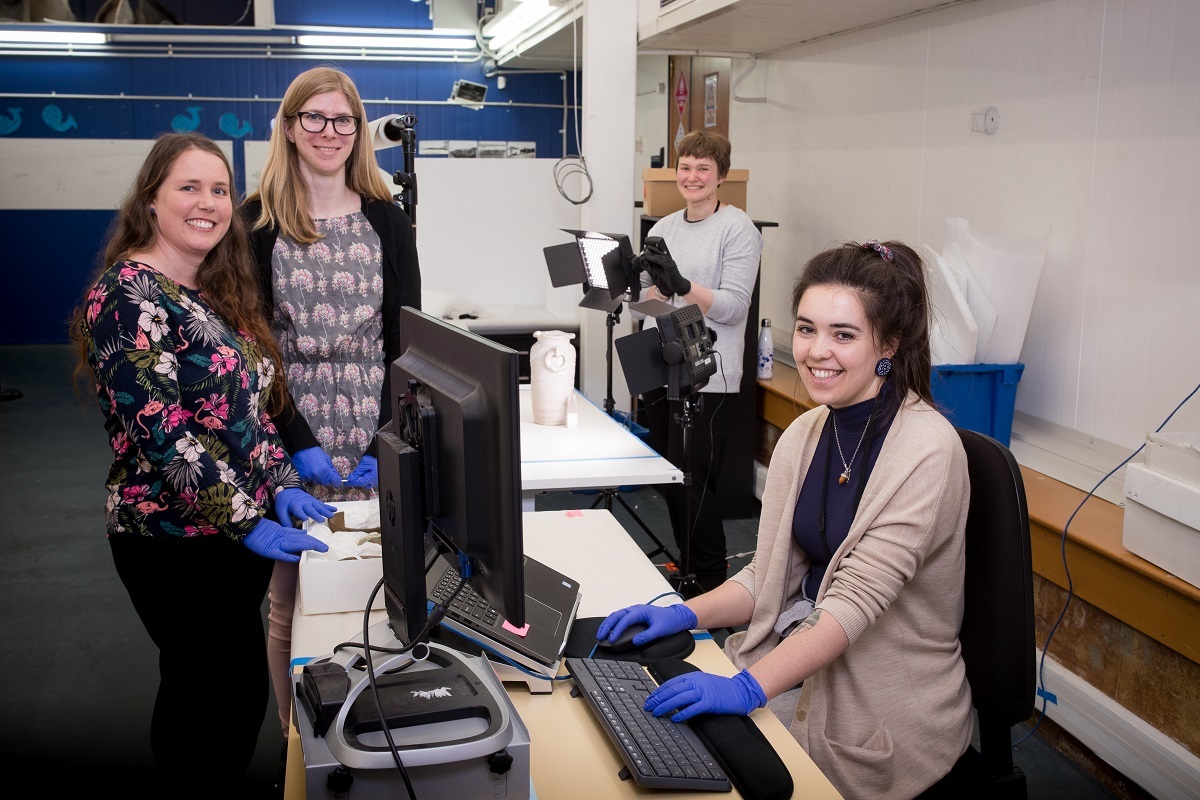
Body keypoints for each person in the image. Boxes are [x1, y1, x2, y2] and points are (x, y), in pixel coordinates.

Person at [600, 240, 973, 800]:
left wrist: (749, 687)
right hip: (798, 662)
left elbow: (851, 606)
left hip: (881, 708)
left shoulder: (927, 451)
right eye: (806, 329)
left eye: (843, 335)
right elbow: (768, 574)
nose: (817, 351)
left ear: (888, 344)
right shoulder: (806, 433)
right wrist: (683, 613)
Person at [70, 132, 336, 794]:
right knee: (211, 701)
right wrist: (249, 521)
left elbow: (248, 407)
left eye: (219, 190)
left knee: (223, 694)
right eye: (189, 187)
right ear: (150, 200)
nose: (209, 203)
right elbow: (165, 433)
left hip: (230, 534)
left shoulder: (214, 288)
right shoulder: (129, 293)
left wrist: (278, 483)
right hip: (171, 540)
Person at [240, 65, 422, 742]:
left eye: (342, 119)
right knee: (292, 596)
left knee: (377, 580)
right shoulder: (256, 221)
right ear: (288, 128)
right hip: (291, 415)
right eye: (312, 117)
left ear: (357, 131)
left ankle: (375, 726)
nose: (328, 131)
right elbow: (254, 343)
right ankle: (300, 741)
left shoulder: (387, 218)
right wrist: (294, 437)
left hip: (374, 415)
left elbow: (407, 335)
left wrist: (387, 436)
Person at [635, 130, 763, 596]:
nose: (692, 176)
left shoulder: (738, 229)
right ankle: (689, 562)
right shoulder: (664, 227)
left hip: (708, 372)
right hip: (660, 363)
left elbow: (732, 308)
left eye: (703, 169)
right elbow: (647, 300)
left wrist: (683, 286)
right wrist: (639, 288)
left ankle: (710, 576)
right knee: (669, 476)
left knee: (694, 479)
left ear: (720, 177)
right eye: (686, 167)